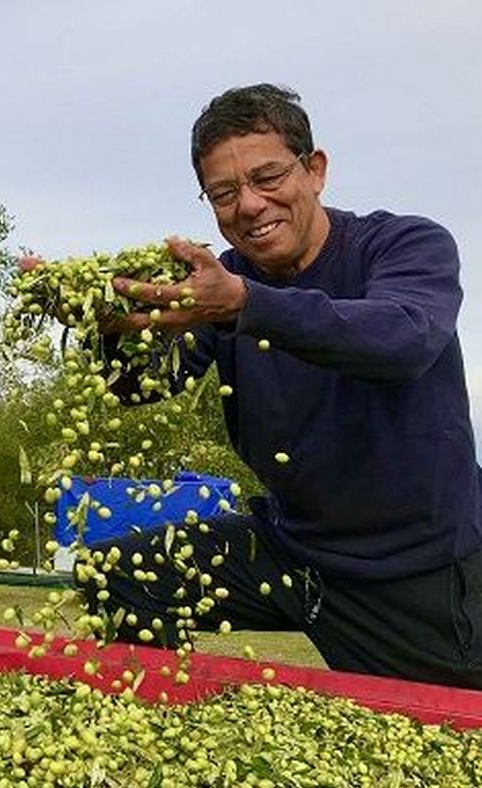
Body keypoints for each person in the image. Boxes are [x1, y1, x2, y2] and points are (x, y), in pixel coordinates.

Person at [86, 83, 482, 688]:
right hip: (292, 552)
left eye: (267, 177)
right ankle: (167, 734)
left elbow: (402, 339)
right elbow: (138, 387)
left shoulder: (402, 245)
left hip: (412, 568)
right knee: (122, 575)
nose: (249, 205)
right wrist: (113, 325)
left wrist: (244, 304)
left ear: (314, 169)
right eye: (224, 192)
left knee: (442, 749)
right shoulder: (220, 286)